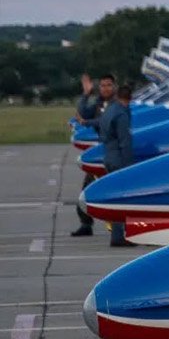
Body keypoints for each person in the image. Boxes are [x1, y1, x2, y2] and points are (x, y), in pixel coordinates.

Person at [95, 80, 134, 247]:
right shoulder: (122, 114)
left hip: (108, 156)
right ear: (129, 99)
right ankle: (118, 235)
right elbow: (124, 141)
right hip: (118, 158)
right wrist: (130, 165)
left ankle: (117, 233)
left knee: (114, 197)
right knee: (121, 198)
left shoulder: (109, 110)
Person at [71, 74, 102, 233]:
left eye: (109, 85)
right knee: (87, 189)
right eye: (103, 86)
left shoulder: (116, 106)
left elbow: (104, 121)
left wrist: (87, 122)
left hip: (113, 153)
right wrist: (86, 94)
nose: (105, 89)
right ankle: (85, 224)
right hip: (102, 152)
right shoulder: (98, 104)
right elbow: (83, 112)